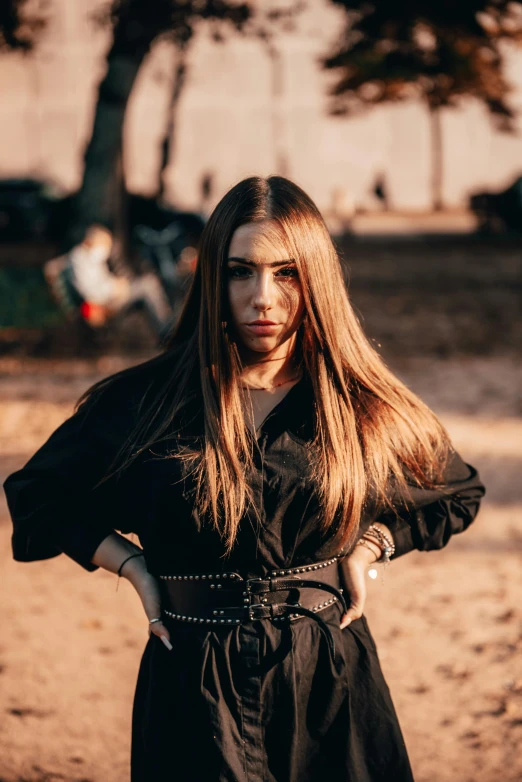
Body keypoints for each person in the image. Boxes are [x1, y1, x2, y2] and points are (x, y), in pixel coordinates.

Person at [4, 176, 485, 782]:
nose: (263, 297)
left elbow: (454, 491)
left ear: (316, 280)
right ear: (213, 278)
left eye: (287, 273)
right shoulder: (145, 402)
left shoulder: (359, 403)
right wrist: (130, 565)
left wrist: (370, 547)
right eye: (241, 272)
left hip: (328, 683)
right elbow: (39, 496)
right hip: (191, 685)